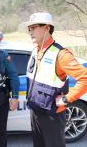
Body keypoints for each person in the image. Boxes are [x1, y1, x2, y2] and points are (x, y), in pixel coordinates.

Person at [18, 12, 87, 147]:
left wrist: (67, 99)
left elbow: (85, 78)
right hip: (35, 111)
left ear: (47, 28)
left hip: (52, 115)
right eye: (29, 29)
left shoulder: (61, 54)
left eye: (34, 27)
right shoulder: (35, 51)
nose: (30, 32)